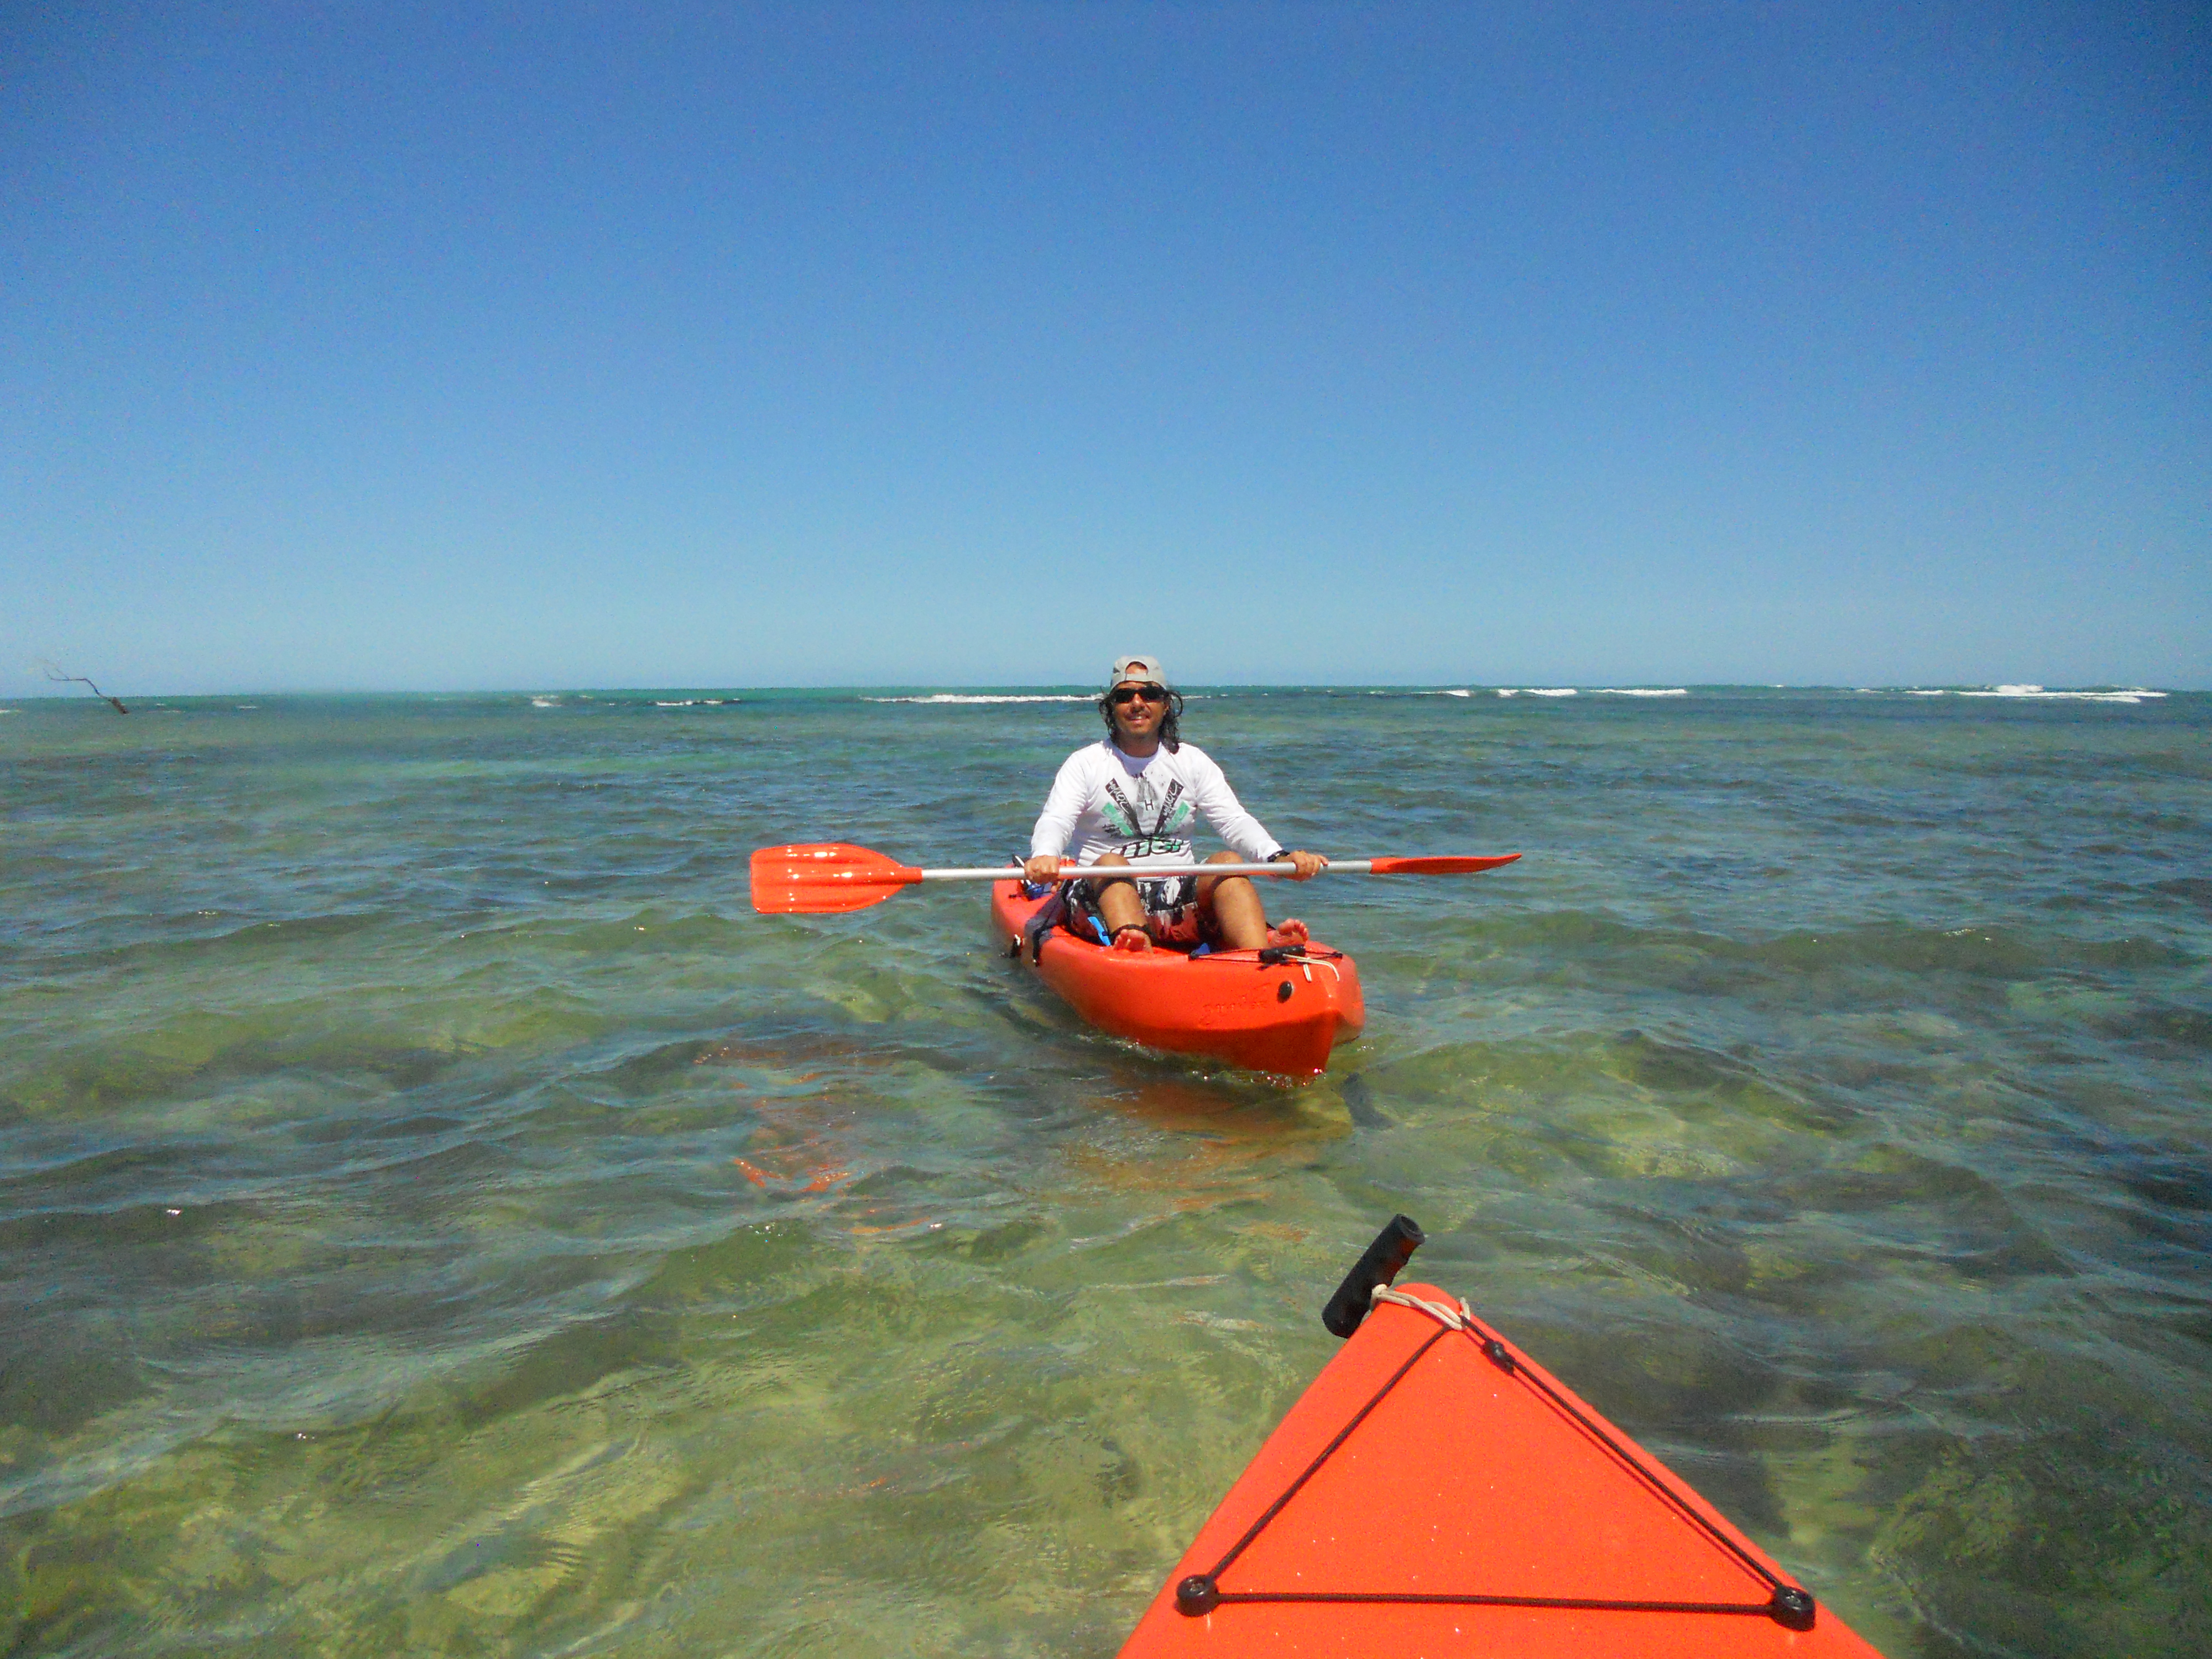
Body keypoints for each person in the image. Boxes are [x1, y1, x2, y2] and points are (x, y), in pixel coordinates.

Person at [1024, 654, 1327, 953]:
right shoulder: (1085, 764)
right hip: (1100, 894)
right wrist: (1045, 855)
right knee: (1112, 864)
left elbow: (1234, 821)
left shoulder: (1191, 761)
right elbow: (1057, 819)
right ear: (1111, 708)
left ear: (1165, 704)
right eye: (1125, 696)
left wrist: (1277, 858)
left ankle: (1259, 956)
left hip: (1174, 897)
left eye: (1151, 694)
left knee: (1228, 863)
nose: (1138, 703)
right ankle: (1134, 950)